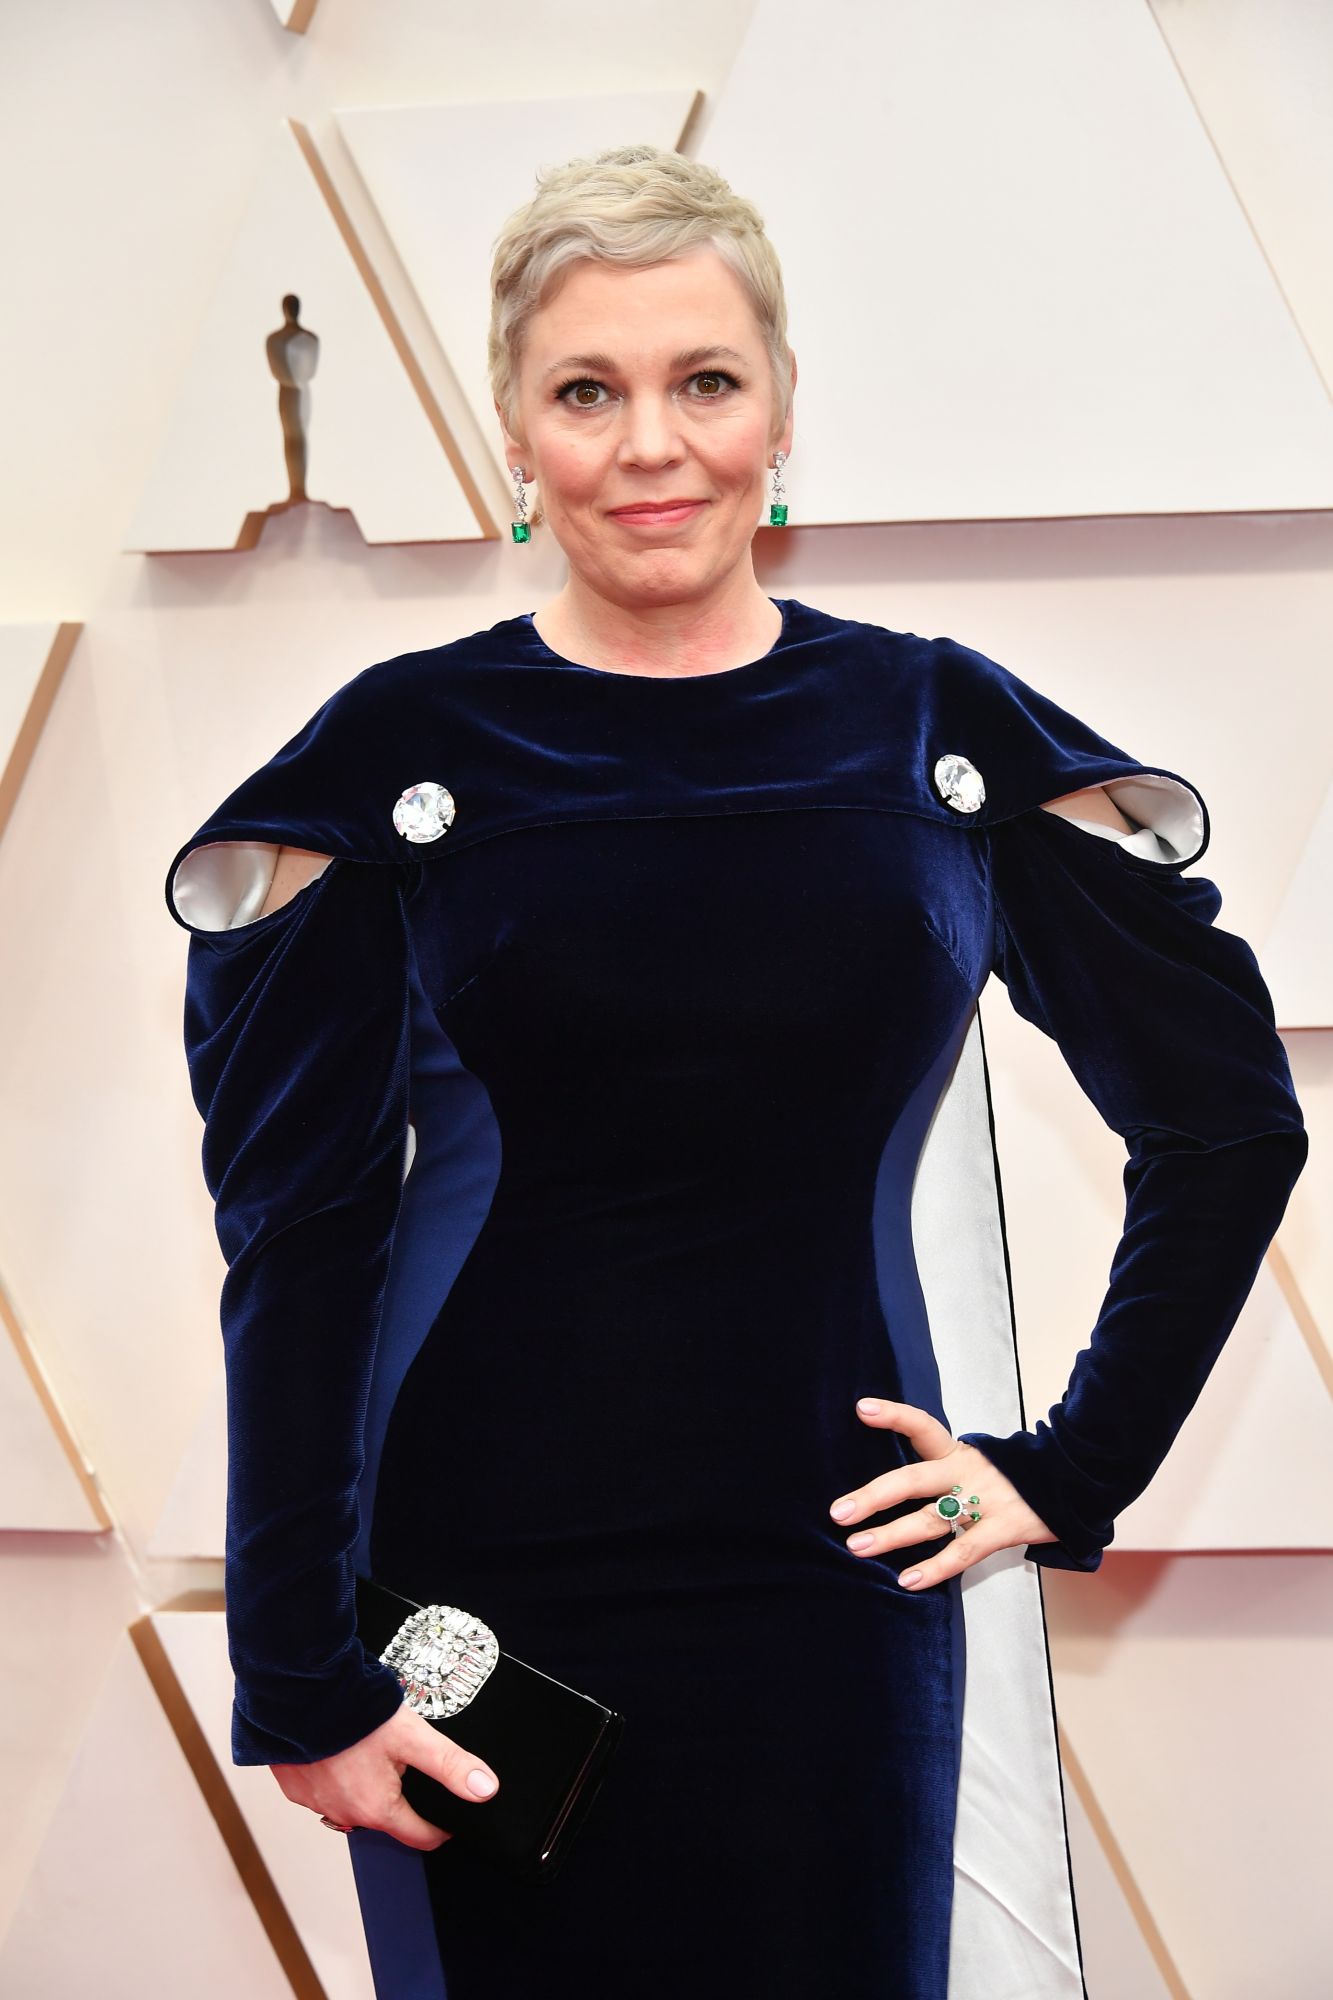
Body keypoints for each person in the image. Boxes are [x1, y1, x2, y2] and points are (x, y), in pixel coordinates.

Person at [163, 144, 1307, 1999]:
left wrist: (1073, 1461)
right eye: (585, 392)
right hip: (475, 1594)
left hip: (830, 1595)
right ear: (513, 437)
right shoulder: (401, 752)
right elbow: (296, 1231)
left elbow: (1223, 1115)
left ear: (779, 411)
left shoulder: (925, 725)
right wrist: (298, 1669)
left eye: (704, 382)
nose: (650, 445)